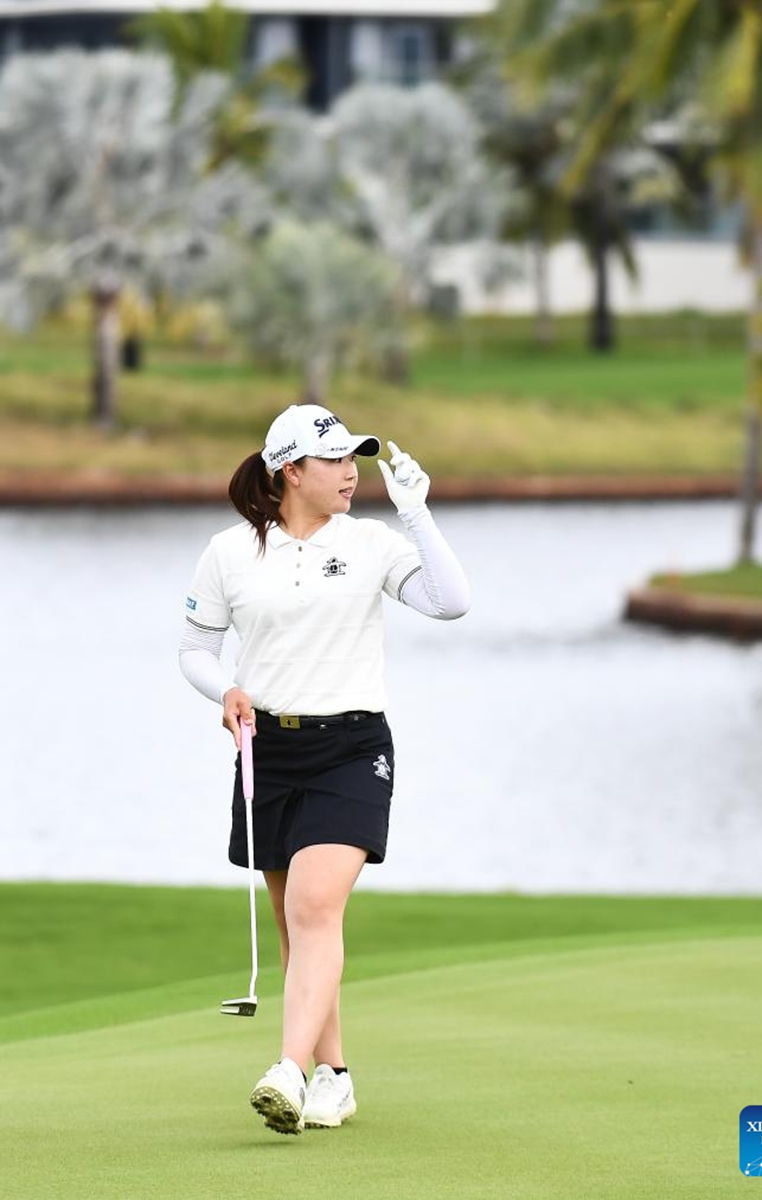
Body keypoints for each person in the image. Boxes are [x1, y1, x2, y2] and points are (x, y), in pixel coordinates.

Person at [178, 403, 470, 1136]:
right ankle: (332, 1076)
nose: (351, 471)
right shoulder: (228, 553)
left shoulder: (371, 542)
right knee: (297, 925)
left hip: (353, 748)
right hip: (268, 748)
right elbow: (195, 649)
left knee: (314, 907)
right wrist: (226, 690)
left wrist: (418, 513)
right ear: (290, 471)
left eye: (354, 458)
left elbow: (450, 601)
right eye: (335, 460)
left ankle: (285, 1068)